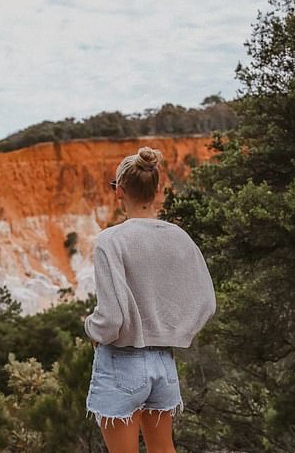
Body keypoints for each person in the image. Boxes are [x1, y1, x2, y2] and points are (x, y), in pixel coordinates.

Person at [84, 146, 216, 453]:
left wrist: (92, 328)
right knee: (164, 450)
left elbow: (111, 319)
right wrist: (176, 331)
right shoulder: (179, 237)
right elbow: (207, 302)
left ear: (119, 191)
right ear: (155, 190)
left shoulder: (110, 241)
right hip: (163, 363)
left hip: (121, 363)